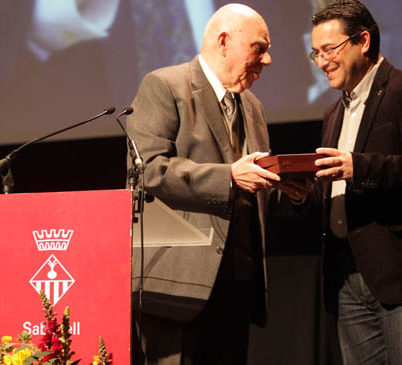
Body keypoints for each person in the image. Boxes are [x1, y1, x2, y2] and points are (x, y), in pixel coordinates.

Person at [126, 4, 304, 364]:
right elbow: (148, 170)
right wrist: (229, 176)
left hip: (237, 284)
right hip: (177, 286)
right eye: (259, 47)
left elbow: (253, 189)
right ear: (223, 42)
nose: (267, 60)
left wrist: (290, 192)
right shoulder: (164, 86)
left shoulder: (252, 106)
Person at [301, 1, 402, 363]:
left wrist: (360, 167)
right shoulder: (333, 112)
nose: (322, 61)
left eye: (330, 50)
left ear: (363, 40)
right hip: (346, 275)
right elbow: (335, 184)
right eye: (315, 53)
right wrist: (299, 192)